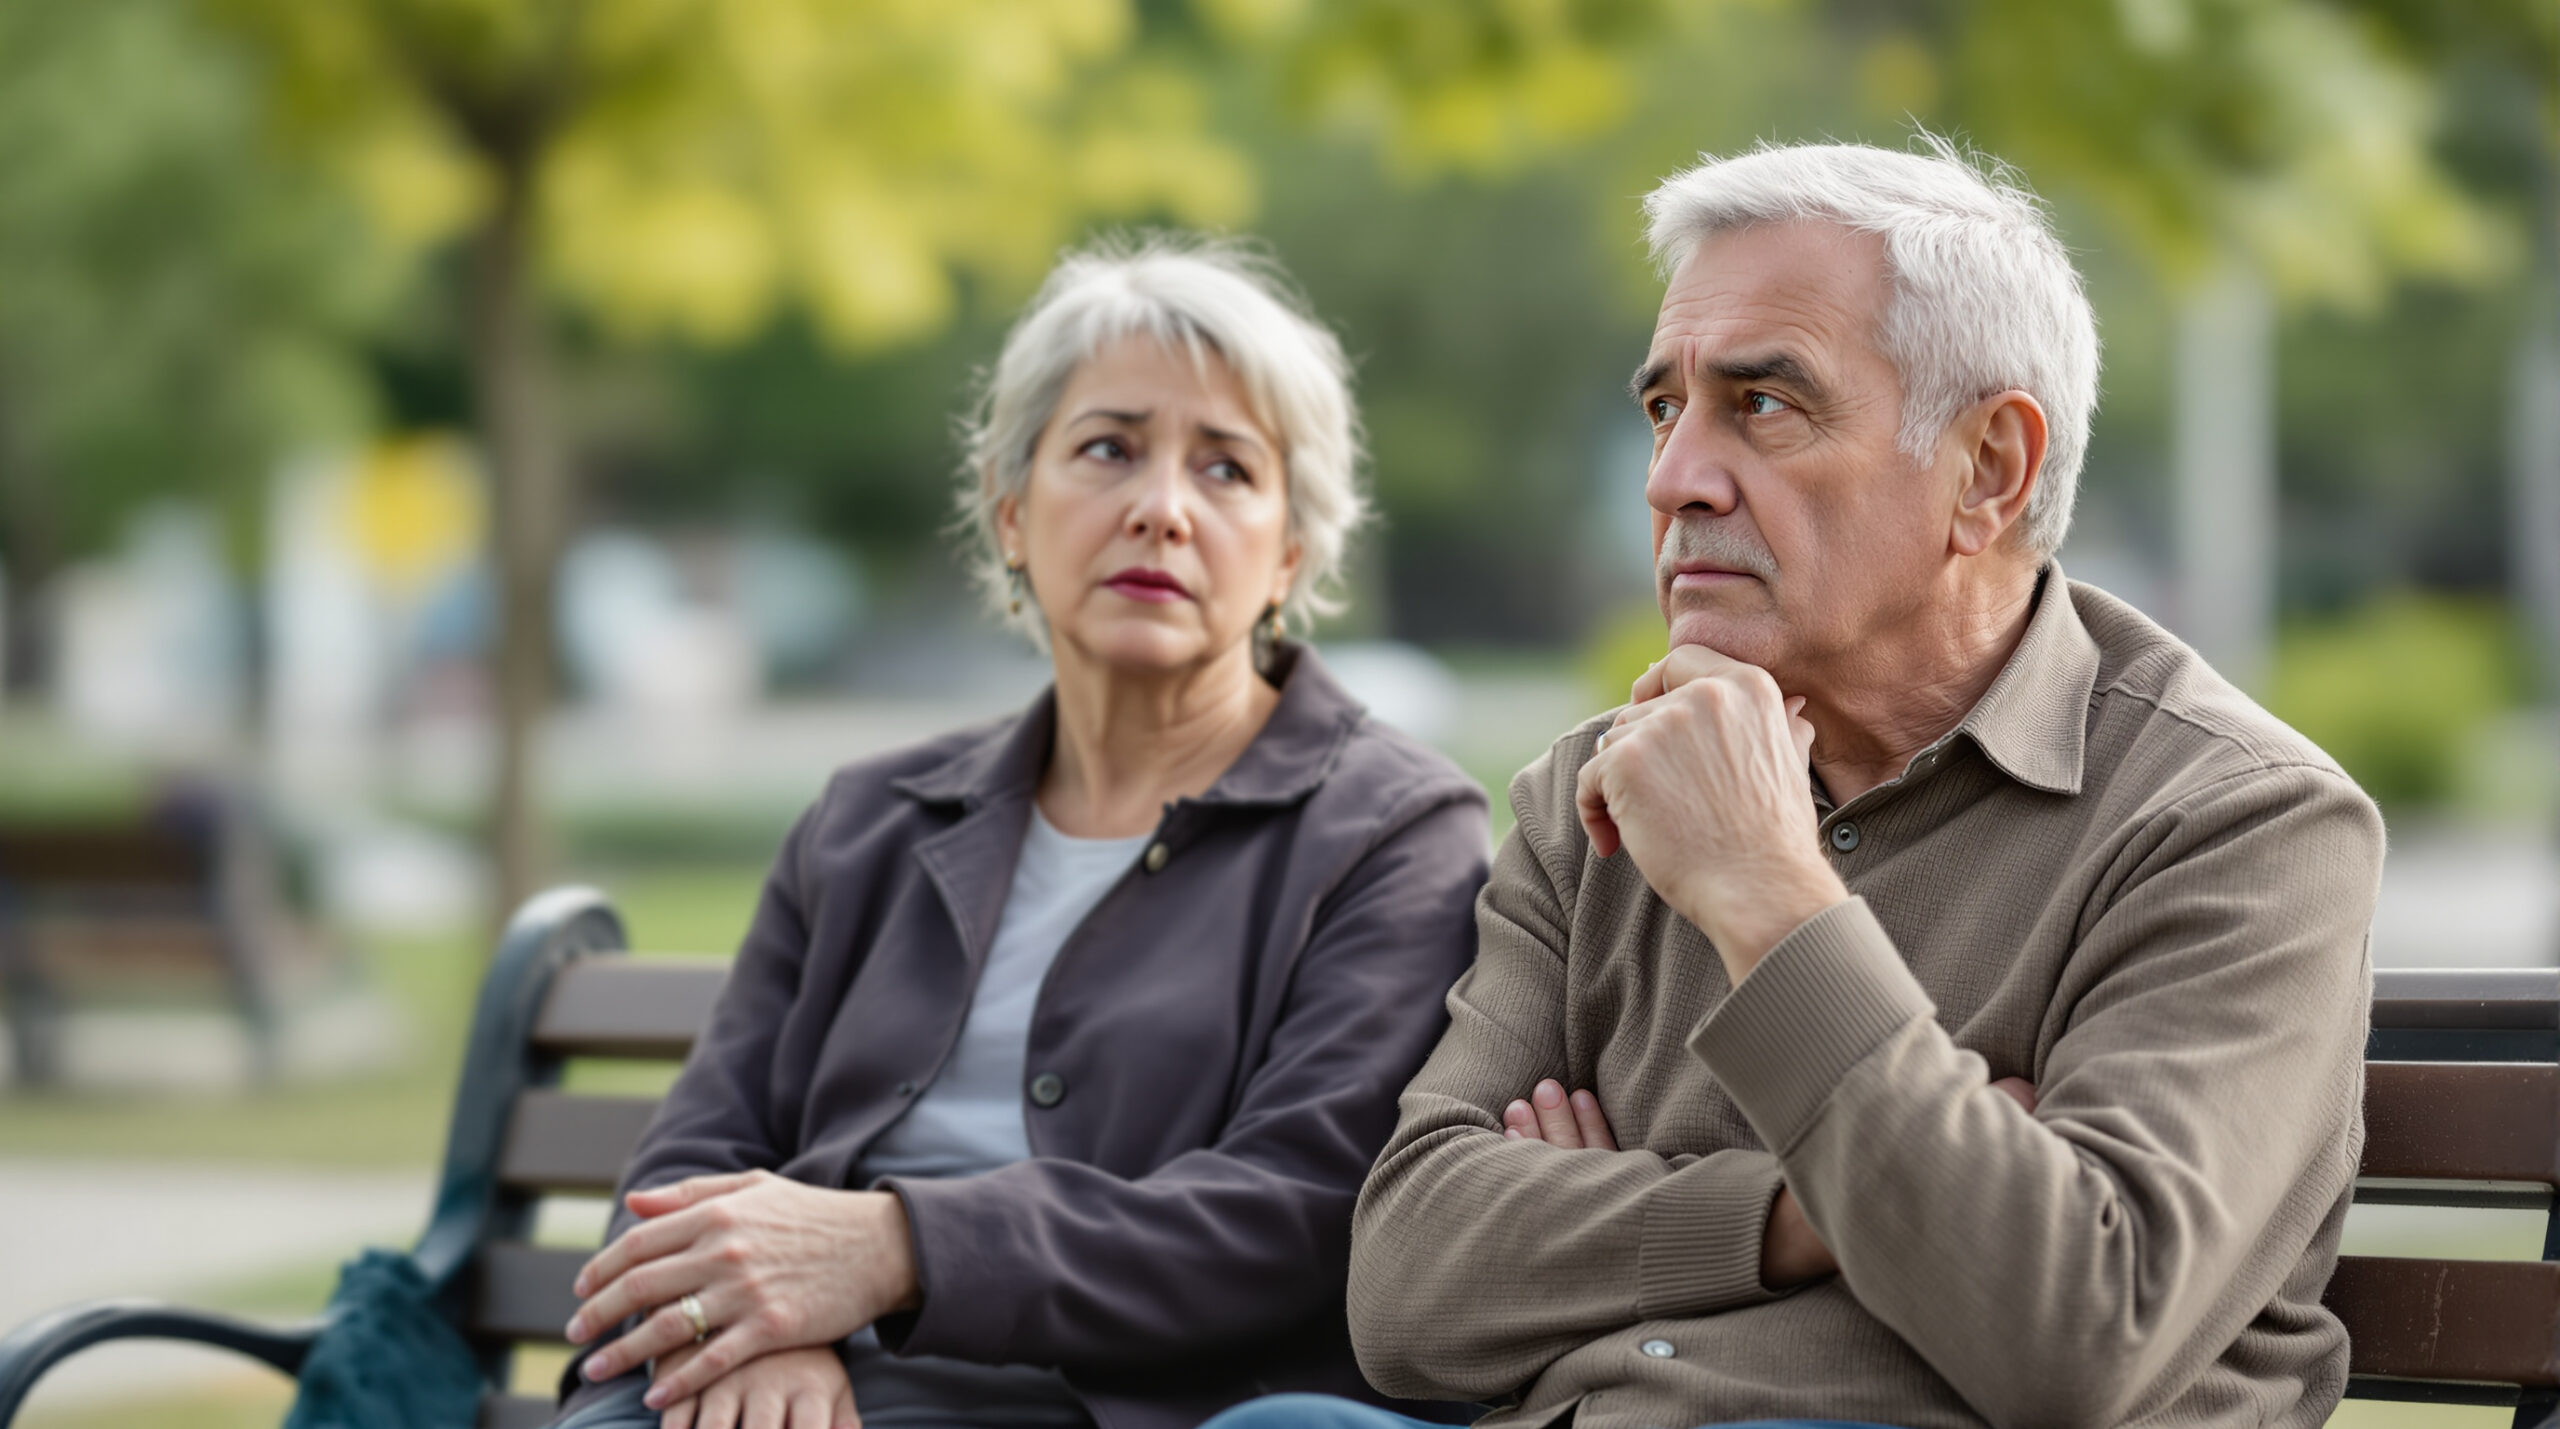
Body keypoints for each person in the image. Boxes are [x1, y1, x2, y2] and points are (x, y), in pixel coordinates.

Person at [1209, 138, 2384, 1429]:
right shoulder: (1590, 793)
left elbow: (2074, 1332)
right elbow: (1407, 1290)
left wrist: (1764, 889)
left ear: (1988, 468)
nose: (1673, 481)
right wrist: (1802, 1209)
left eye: (1763, 404)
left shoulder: (2243, 821)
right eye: (1667, 408)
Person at [546, 237, 1492, 1429]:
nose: (1160, 509)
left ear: (1290, 553)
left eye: (1226, 470)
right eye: (1107, 449)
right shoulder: (867, 821)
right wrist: (744, 1337)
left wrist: (893, 1249)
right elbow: (694, 1150)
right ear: (1008, 511)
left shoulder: (1392, 832)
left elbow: (1296, 1208)